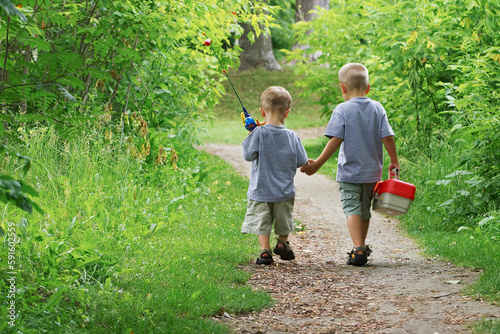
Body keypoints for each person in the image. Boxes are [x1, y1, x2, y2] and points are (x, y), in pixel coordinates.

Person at [300, 63, 399, 266]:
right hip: (373, 173)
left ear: (343, 88)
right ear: (368, 87)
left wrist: (317, 164)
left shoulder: (342, 109)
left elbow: (334, 140)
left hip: (349, 173)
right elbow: (387, 136)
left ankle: (359, 249)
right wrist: (394, 160)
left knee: (351, 208)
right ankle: (361, 244)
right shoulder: (377, 108)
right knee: (364, 210)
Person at [241, 86, 310, 265]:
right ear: (287, 112)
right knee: (283, 219)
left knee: (262, 221)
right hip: (284, 191)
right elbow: (302, 160)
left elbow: (248, 155)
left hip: (261, 191)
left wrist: (251, 134)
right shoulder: (292, 136)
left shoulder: (258, 133)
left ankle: (265, 251)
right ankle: (282, 242)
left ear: (261, 112)